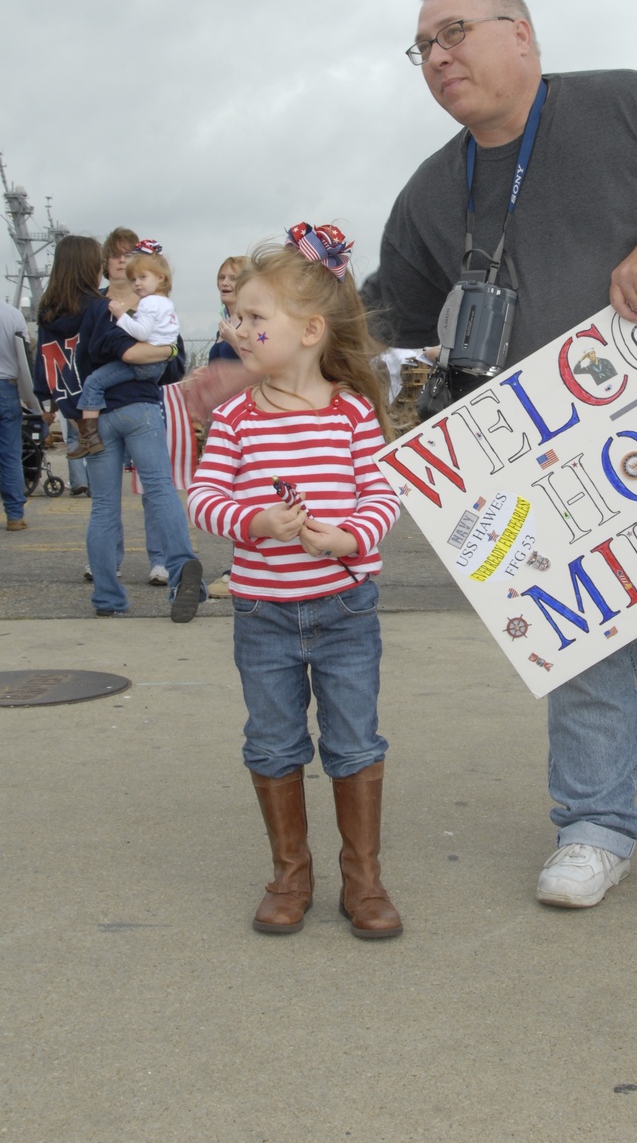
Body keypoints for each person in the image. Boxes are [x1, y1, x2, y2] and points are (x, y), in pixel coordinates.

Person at [375, 0, 637, 920]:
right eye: (423, 48)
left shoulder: (626, 103)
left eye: (454, 33)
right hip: (553, 465)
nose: (439, 58)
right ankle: (595, 829)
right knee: (585, 650)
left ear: (519, 34)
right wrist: (263, 345)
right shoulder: (432, 191)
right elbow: (382, 320)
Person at [187, 222, 403, 939]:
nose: (236, 329)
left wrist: (351, 536)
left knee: (354, 742)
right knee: (273, 742)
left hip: (345, 607)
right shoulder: (237, 418)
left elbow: (382, 496)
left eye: (254, 318)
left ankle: (362, 877)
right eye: (235, 317)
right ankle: (291, 873)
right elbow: (205, 500)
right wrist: (256, 523)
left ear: (310, 329)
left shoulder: (351, 412)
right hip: (264, 611)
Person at [74, 256, 204, 621]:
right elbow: (168, 367)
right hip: (140, 409)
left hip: (101, 415)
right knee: (161, 490)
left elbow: (86, 359)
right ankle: (182, 574)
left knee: (103, 506)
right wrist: (167, 351)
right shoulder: (156, 310)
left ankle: (106, 596)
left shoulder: (96, 312)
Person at [69, 241, 179, 456]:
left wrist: (121, 316)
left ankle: (89, 437)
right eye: (134, 279)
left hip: (144, 362)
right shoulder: (166, 302)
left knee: (94, 383)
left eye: (142, 278)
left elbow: (141, 333)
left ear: (160, 278)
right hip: (158, 364)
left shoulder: (148, 303)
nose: (137, 284)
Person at [0, 297, 36, 530]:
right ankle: (14, 515)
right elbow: (25, 358)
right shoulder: (13, 314)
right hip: (7, 388)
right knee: (10, 454)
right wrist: (33, 399)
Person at [207, 256, 247, 363]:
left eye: (233, 278)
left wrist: (234, 341)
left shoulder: (254, 325)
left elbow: (263, 368)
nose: (224, 283)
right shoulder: (224, 326)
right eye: (221, 277)